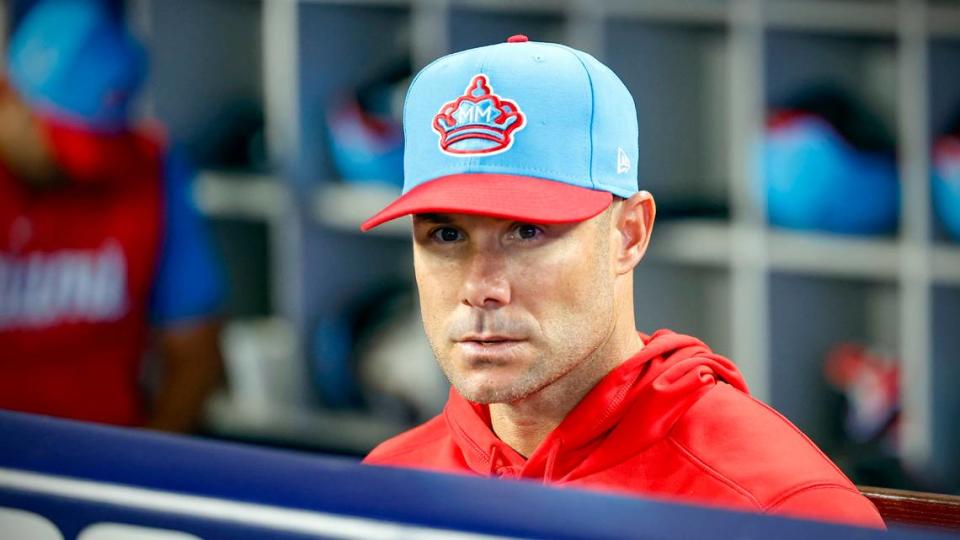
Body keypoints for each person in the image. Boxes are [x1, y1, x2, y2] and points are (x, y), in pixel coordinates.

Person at [358, 35, 885, 528]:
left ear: (629, 235)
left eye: (526, 231)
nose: (480, 287)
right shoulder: (385, 486)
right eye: (446, 235)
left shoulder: (780, 511)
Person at [0, 0, 224, 432]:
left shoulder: (149, 167)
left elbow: (195, 351)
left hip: (109, 455)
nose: (81, 170)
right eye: (63, 143)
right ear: (9, 97)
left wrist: (146, 469)